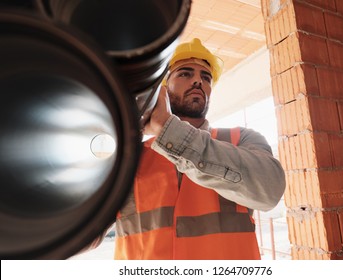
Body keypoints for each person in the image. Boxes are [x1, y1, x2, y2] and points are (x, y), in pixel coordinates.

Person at [95, 38, 286, 260]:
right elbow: (81, 233)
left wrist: (167, 128)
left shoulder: (241, 139)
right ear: (163, 89)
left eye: (206, 77)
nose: (198, 81)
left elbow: (270, 191)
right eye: (185, 73)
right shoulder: (131, 156)